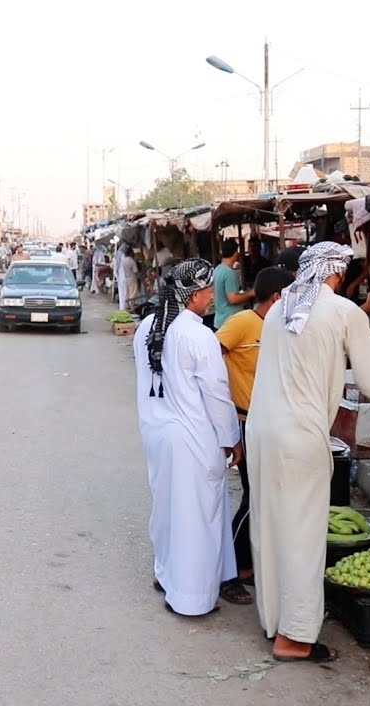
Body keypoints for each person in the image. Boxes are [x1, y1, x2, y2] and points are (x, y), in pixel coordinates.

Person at [247, 242, 370, 663]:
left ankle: (273, 619)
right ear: (336, 273)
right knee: (302, 534)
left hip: (261, 430)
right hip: (299, 436)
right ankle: (294, 637)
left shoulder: (280, 309)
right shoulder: (344, 311)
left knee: (271, 525)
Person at [140, 259, 242, 617]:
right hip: (193, 437)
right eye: (205, 292)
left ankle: (165, 574)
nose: (211, 298)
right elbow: (216, 393)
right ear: (192, 294)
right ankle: (192, 598)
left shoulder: (148, 327)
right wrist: (232, 438)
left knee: (168, 507)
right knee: (197, 517)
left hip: (159, 434)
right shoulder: (197, 334)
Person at [215, 266, 295, 602]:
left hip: (270, 422)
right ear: (277, 297)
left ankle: (245, 565)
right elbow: (209, 360)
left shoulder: (281, 327)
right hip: (245, 422)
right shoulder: (242, 323)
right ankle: (229, 572)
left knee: (261, 497)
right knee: (253, 497)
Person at [213, 240, 248, 329]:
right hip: (230, 321)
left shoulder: (217, 269)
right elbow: (233, 299)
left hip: (219, 320)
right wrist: (250, 293)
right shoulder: (229, 273)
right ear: (235, 254)